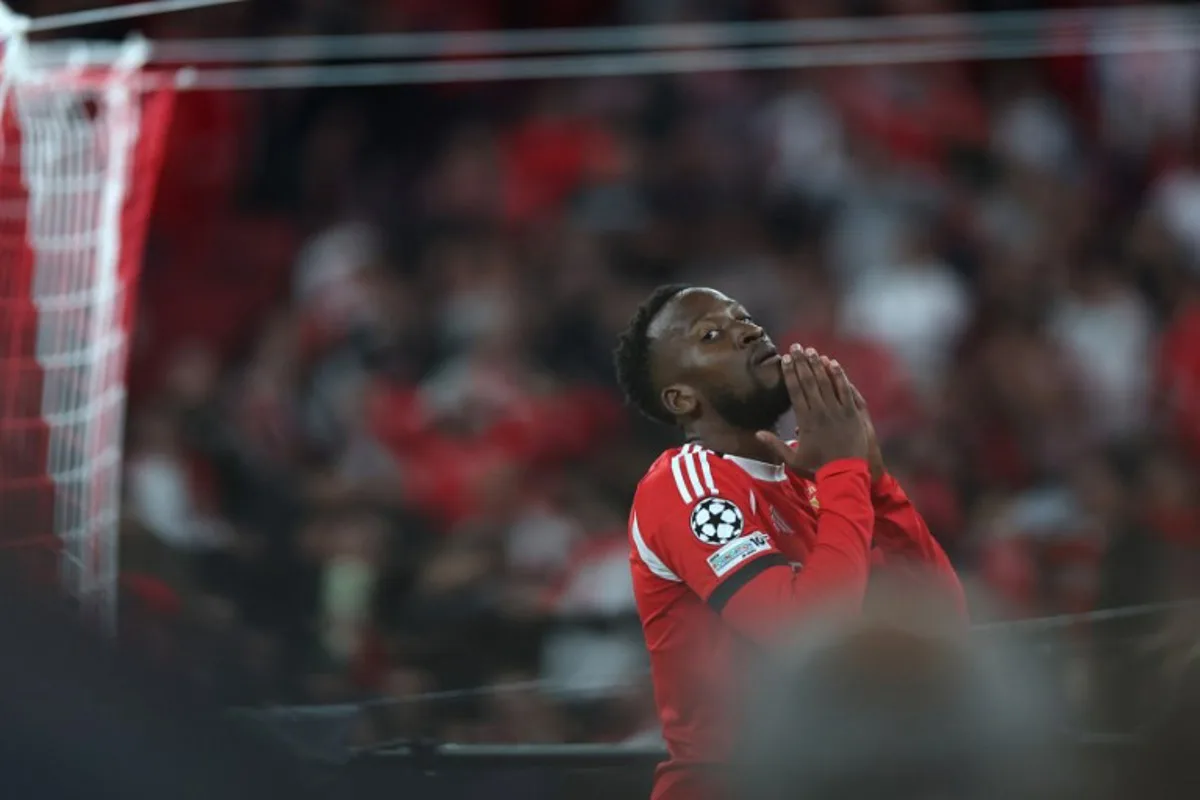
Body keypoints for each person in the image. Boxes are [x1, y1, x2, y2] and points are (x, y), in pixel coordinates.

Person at [613, 284, 966, 800]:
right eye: (712, 334)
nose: (749, 331)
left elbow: (940, 618)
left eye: (745, 318)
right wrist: (844, 471)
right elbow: (809, 634)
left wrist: (875, 481)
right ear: (682, 398)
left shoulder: (815, 474)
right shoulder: (686, 486)